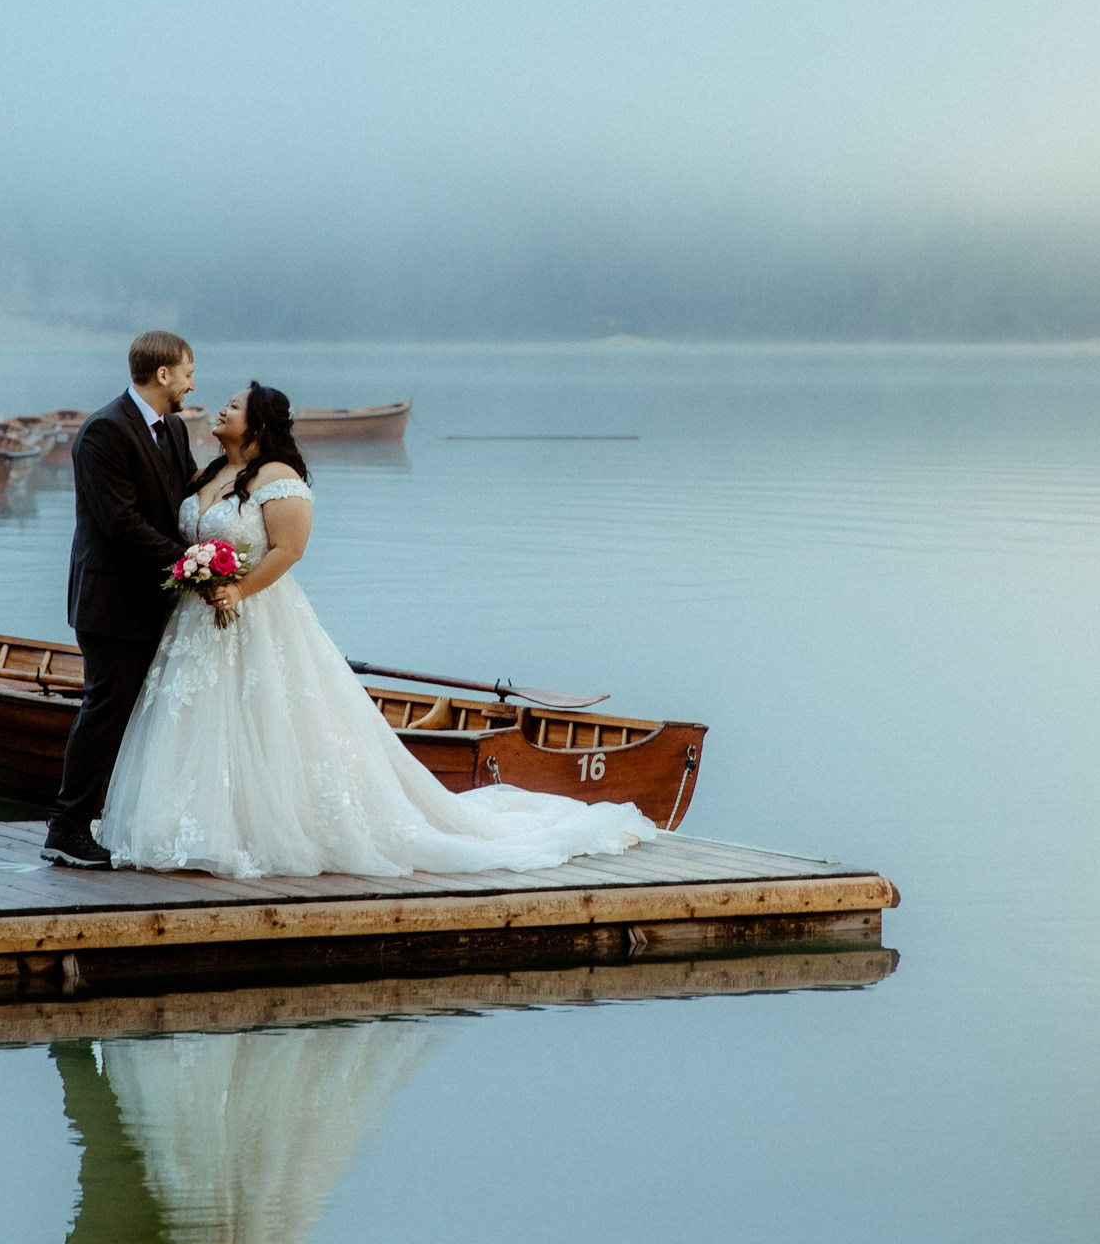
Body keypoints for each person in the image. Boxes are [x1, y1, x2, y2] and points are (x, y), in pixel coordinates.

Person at [101, 380, 655, 880]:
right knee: (195, 719)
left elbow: (290, 550)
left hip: (257, 615)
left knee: (265, 719)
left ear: (261, 424)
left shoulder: (279, 480)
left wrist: (239, 590)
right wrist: (203, 577)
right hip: (197, 622)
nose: (220, 408)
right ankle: (194, 825)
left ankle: (264, 827)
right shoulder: (209, 471)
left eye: (234, 406)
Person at [41, 331, 199, 869]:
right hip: (110, 601)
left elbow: (187, 492)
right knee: (106, 709)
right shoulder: (105, 431)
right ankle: (66, 827)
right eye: (187, 372)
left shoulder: (172, 428)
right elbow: (120, 522)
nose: (192, 383)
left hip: (154, 599)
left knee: (138, 710)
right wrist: (188, 565)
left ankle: (117, 819)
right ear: (163, 375)